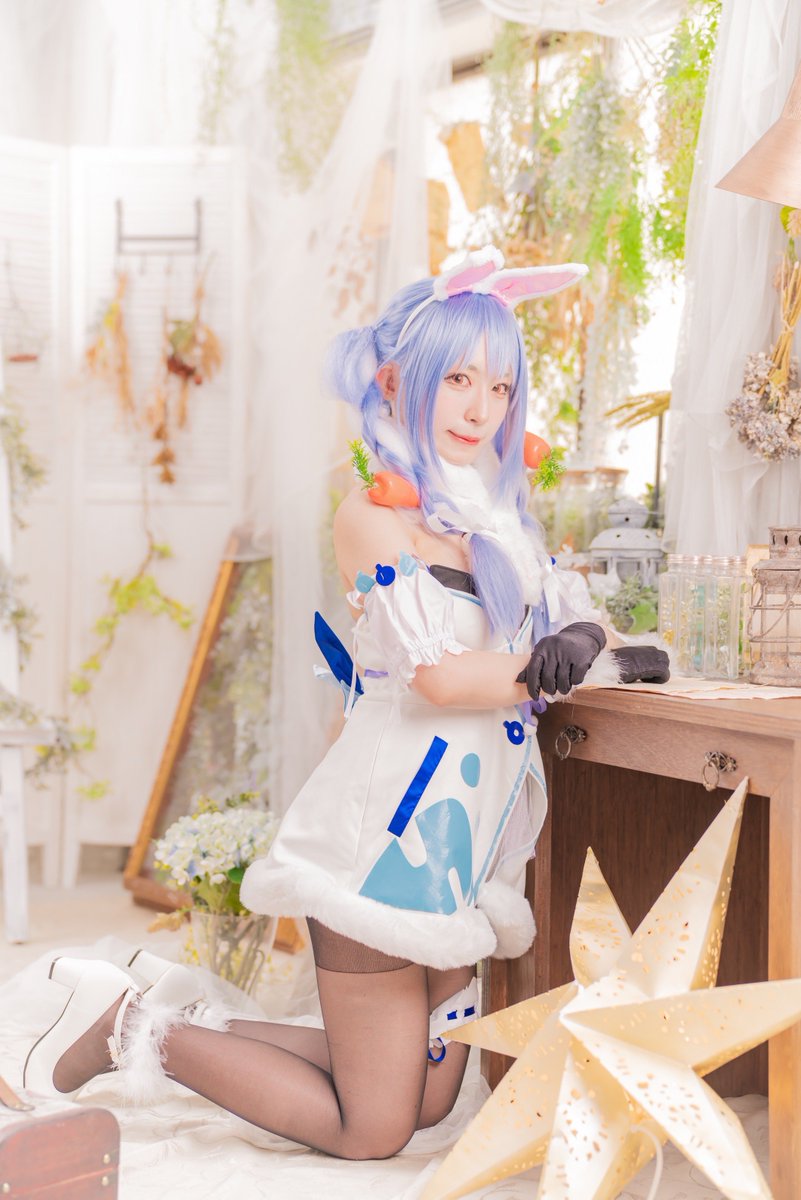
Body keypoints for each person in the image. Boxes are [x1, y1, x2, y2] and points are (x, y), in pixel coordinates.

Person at [23, 247, 669, 1159]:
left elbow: (581, 621)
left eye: (498, 386)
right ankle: (129, 1026)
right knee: (372, 1129)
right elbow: (441, 678)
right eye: (457, 380)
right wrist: (546, 662)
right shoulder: (373, 518)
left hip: (459, 846)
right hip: (385, 836)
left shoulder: (503, 526)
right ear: (402, 383)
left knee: (430, 1098)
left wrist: (591, 643)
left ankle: (187, 1016)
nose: (479, 408)